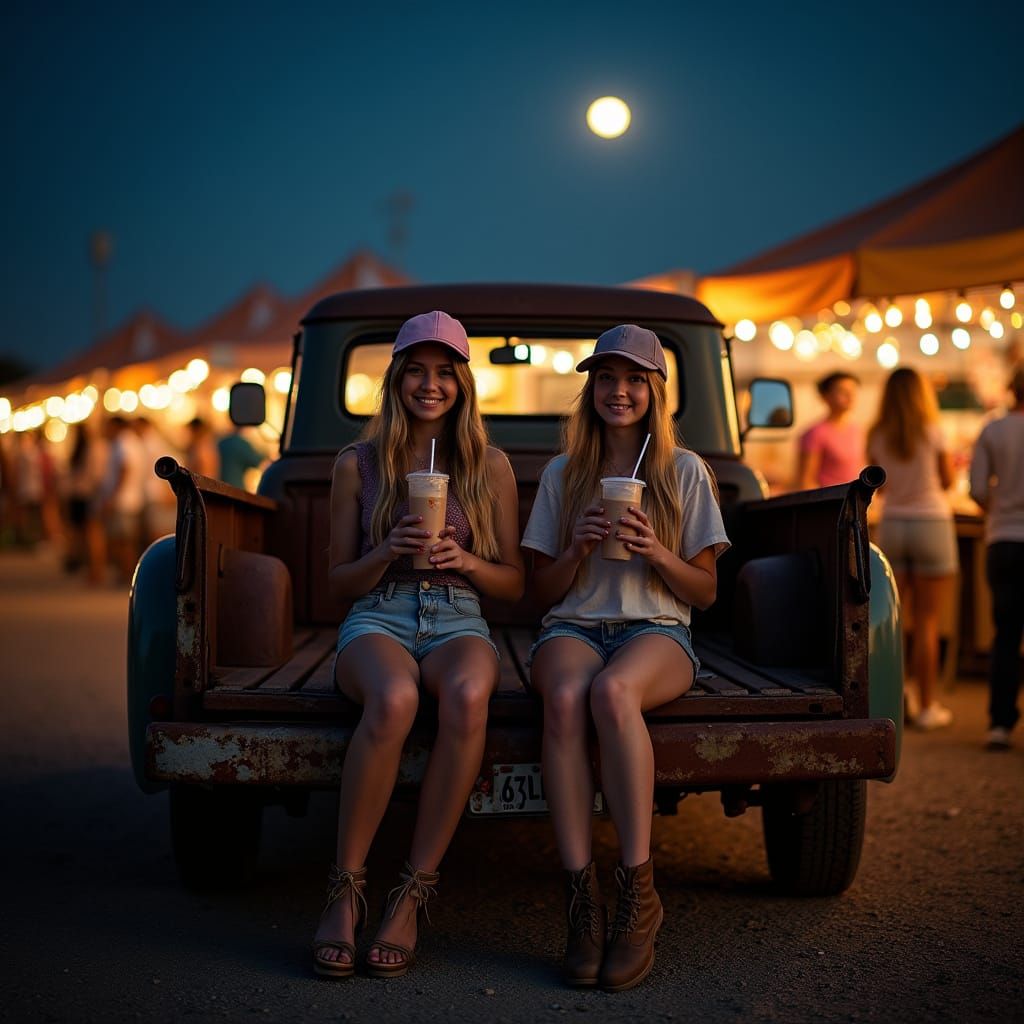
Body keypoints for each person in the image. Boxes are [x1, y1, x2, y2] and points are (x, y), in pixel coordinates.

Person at [312, 311, 524, 979]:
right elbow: (336, 581)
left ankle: (412, 891)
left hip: (459, 617)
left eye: (444, 373)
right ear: (396, 378)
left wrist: (463, 559)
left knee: (466, 695)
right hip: (379, 615)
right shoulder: (358, 463)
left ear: (462, 385)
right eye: (416, 371)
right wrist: (385, 552)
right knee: (395, 698)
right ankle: (344, 889)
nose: (429, 385)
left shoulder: (488, 465)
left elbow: (512, 584)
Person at [521, 324, 729, 991]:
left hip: (656, 633)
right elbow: (538, 594)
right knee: (562, 698)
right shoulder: (564, 474)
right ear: (590, 389)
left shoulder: (683, 471)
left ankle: (638, 899)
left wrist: (656, 551)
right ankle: (582, 903)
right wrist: (577, 549)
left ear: (655, 391)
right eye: (606, 378)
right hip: (574, 628)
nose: (619, 391)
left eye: (634, 379)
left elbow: (705, 591)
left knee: (613, 694)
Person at [867, 367, 957, 731]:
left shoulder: (877, 434)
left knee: (893, 623)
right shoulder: (934, 431)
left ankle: (896, 702)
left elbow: (880, 488)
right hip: (932, 524)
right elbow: (949, 480)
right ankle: (928, 707)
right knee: (929, 622)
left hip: (894, 525)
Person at [969, 363, 1024, 751]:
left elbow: (975, 489)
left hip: (1003, 540)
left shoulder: (993, 429)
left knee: (1006, 635)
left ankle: (999, 725)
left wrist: (998, 509)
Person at [797, 371, 865, 489]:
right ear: (826, 396)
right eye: (842, 391)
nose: (850, 395)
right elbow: (806, 480)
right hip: (830, 502)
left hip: (856, 501)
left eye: (853, 391)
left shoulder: (857, 430)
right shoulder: (815, 433)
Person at [217, 423, 264, 491]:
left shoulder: (221, 442)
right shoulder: (241, 444)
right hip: (235, 489)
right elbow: (259, 461)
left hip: (219, 486)